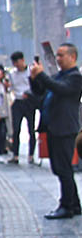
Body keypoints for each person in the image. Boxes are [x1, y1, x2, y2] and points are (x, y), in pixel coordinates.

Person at [29, 43, 82, 218]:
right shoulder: (59, 76)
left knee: (63, 168)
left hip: (65, 128)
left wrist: (42, 75)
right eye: (57, 55)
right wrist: (35, 77)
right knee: (61, 168)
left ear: (72, 57)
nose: (58, 58)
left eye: (61, 55)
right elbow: (41, 92)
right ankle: (74, 204)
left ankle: (67, 205)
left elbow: (60, 89)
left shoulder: (75, 77)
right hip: (54, 127)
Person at [9, 50, 38, 163]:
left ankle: (31, 155)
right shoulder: (12, 74)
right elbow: (11, 88)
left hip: (29, 102)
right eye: (14, 63)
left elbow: (36, 87)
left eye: (17, 62)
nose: (16, 65)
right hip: (17, 102)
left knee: (31, 129)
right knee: (16, 129)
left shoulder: (31, 72)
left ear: (22, 60)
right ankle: (15, 155)